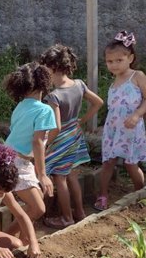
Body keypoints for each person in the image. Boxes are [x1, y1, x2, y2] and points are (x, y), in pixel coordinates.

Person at [39, 44, 104, 227]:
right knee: (72, 175)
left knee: (60, 178)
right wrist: (81, 120)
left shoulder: (53, 96)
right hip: (75, 134)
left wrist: (44, 146)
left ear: (52, 68)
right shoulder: (79, 85)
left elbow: (56, 127)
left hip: (61, 140)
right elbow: (98, 103)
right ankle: (80, 212)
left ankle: (66, 218)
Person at [95, 31, 146, 211]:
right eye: (110, 61)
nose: (114, 65)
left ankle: (139, 194)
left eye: (119, 60)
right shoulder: (114, 82)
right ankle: (103, 195)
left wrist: (137, 115)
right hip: (113, 128)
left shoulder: (137, 76)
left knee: (131, 163)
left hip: (131, 127)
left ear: (130, 58)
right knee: (107, 163)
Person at [2, 62, 57, 237]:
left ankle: (25, 238)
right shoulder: (45, 110)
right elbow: (38, 141)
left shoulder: (20, 106)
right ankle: (5, 239)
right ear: (44, 83)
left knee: (36, 202)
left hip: (7, 156)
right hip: (18, 162)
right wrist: (42, 174)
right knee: (38, 208)